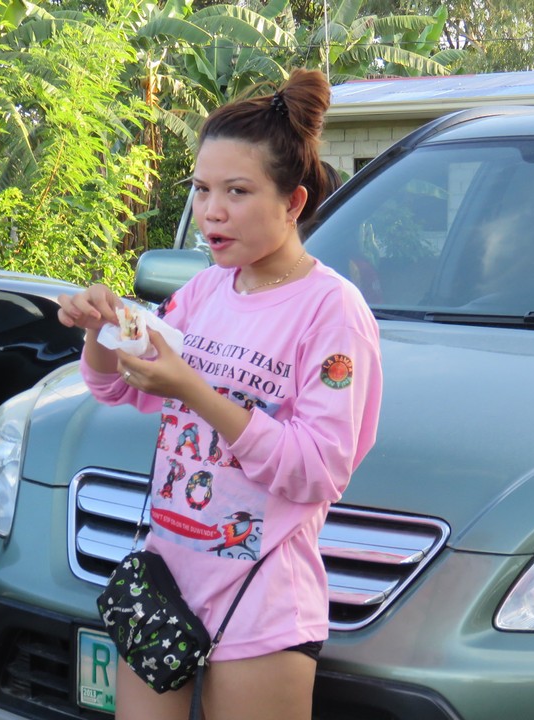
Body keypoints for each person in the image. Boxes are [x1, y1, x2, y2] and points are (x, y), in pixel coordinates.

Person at [57, 69, 382, 720]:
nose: (211, 211)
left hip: (260, 597)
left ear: (292, 202)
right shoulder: (205, 291)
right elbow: (116, 386)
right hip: (165, 580)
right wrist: (100, 330)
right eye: (202, 189)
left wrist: (196, 391)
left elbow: (319, 469)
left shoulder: (332, 311)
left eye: (237, 191)